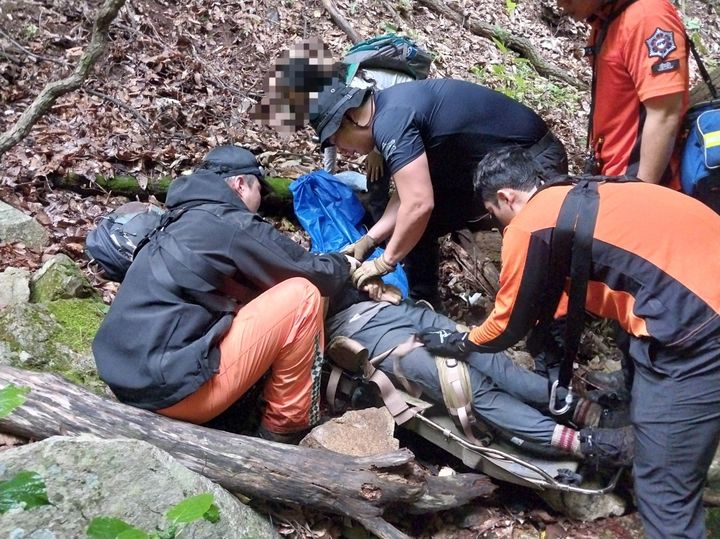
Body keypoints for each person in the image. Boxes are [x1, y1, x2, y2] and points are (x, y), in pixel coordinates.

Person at [419, 147, 720, 539]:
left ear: (507, 197)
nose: (498, 227)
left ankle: (653, 449)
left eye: (494, 214)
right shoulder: (584, 192)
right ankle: (639, 423)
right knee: (629, 337)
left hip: (697, 333)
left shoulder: (531, 225)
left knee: (662, 492)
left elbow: (506, 328)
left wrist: (460, 342)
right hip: (695, 288)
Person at [92, 146, 357, 444]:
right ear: (240, 184)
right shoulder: (229, 221)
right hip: (172, 394)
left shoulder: (180, 219)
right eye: (260, 189)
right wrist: (347, 263)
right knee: (302, 296)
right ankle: (285, 430)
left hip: (128, 380)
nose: (261, 201)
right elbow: (315, 274)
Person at [310, 77, 568, 307]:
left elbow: (419, 204)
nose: (342, 151)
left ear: (351, 118)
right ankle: (425, 303)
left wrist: (385, 263)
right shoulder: (389, 110)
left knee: (533, 248)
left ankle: (552, 330)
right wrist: (369, 240)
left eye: (335, 141)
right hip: (482, 169)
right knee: (418, 227)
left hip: (532, 162)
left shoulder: (391, 121)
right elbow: (408, 193)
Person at [326, 287, 633, 463]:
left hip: (383, 308)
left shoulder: (294, 264)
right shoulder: (290, 282)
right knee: (467, 387)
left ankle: (593, 416)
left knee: (493, 363)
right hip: (358, 332)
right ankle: (587, 442)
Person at [557, 0, 689, 186]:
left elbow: (664, 114)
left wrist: (640, 191)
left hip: (637, 181)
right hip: (612, 175)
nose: (559, 3)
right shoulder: (607, 19)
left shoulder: (648, 17)